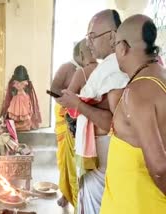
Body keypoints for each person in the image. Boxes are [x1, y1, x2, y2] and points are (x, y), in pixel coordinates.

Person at [58, 9, 129, 214]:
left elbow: (113, 124)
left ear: (113, 36)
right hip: (95, 157)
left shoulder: (116, 69)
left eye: (92, 36)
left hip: (104, 158)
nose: (88, 42)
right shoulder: (106, 67)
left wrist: (78, 104)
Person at [100, 15, 166, 214]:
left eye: (115, 46)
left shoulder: (136, 92)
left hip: (141, 206)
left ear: (123, 47)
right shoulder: (159, 77)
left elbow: (159, 167)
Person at [51, 40, 82, 208]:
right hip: (65, 116)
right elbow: (54, 89)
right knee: (65, 158)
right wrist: (67, 100)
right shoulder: (66, 67)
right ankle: (65, 193)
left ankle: (78, 195)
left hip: (81, 117)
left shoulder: (89, 69)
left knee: (78, 159)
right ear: (79, 53)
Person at [1, 65, 41, 131]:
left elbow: (32, 100)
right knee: (16, 105)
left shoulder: (28, 84)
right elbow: (8, 97)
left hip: (24, 102)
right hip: (16, 103)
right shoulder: (12, 83)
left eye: (21, 83)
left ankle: (21, 124)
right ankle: (17, 124)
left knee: (23, 109)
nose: (19, 85)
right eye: (17, 82)